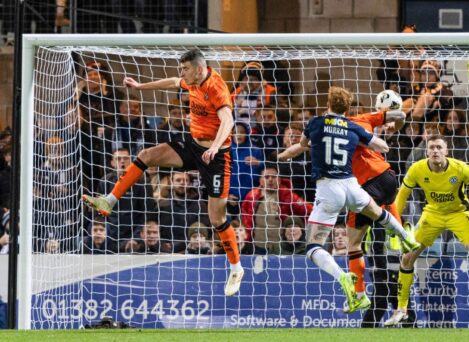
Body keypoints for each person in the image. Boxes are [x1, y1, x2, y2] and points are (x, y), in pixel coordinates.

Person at [82, 49, 244, 296]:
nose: (181, 74)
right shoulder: (192, 81)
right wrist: (140, 85)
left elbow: (228, 121)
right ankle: (109, 200)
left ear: (199, 69)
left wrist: (214, 147)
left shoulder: (216, 87)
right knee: (146, 156)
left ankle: (236, 268)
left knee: (217, 219)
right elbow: (170, 81)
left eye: (185, 69)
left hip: (217, 157)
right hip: (193, 146)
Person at [280, 86, 419, 313]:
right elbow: (384, 144)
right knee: (372, 224)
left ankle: (352, 284)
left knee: (315, 246)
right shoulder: (355, 125)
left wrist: (284, 154)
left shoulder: (316, 123)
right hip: (362, 184)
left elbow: (302, 145)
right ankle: (404, 236)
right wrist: (369, 140)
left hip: (334, 187)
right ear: (349, 107)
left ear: (328, 104)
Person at [385, 134, 469, 328]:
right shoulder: (417, 169)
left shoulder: (460, 168)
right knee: (407, 257)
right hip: (432, 215)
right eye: (432, 147)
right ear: (426, 151)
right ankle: (401, 309)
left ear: (446, 151)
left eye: (439, 147)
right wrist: (394, 222)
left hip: (458, 214)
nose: (435, 151)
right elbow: (402, 196)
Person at [240, 164, 312, 254]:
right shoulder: (251, 196)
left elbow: (310, 212)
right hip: (257, 246)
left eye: (274, 177)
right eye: (266, 177)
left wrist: (303, 232)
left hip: (281, 248)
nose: (270, 179)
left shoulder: (289, 197)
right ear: (261, 180)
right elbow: (245, 220)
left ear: (279, 180)